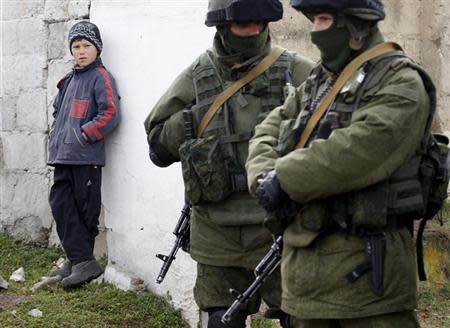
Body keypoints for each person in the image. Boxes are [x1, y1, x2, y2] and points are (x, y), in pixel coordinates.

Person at [246, 0, 436, 327]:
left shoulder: (401, 83)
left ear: (356, 27)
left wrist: (285, 177)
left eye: (322, 19)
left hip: (368, 288)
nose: (313, 29)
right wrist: (264, 174)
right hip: (306, 281)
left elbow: (358, 150)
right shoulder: (321, 82)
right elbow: (269, 127)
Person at [144, 1, 313, 326]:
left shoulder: (296, 71)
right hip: (216, 231)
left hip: (283, 226)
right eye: (242, 23)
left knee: (302, 316)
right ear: (222, 25)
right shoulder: (198, 75)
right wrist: (191, 122)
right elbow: (156, 146)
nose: (252, 30)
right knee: (221, 319)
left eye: (259, 23)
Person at [47, 21, 121, 289]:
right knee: (60, 204)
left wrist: (84, 134)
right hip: (63, 155)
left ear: (97, 48)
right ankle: (79, 259)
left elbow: (110, 113)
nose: (80, 51)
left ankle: (81, 261)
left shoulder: (100, 77)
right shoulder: (67, 81)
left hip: (86, 158)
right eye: (76, 46)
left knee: (84, 211)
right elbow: (58, 111)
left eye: (86, 46)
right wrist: (59, 134)